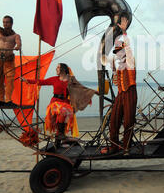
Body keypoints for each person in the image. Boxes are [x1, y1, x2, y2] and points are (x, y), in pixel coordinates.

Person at [22, 63, 97, 148]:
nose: (56, 69)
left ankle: (59, 139)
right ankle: (61, 135)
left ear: (63, 69)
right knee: (63, 110)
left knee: (69, 112)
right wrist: (27, 80)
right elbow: (41, 82)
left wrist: (93, 92)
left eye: (58, 67)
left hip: (65, 102)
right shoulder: (54, 79)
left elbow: (81, 88)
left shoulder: (71, 79)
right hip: (55, 103)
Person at [101, 17, 137, 155]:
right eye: (117, 52)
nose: (119, 54)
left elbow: (128, 49)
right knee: (114, 121)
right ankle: (114, 146)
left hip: (130, 93)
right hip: (121, 94)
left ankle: (126, 147)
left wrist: (124, 32)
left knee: (128, 122)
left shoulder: (130, 63)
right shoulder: (118, 66)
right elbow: (107, 60)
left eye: (120, 51)